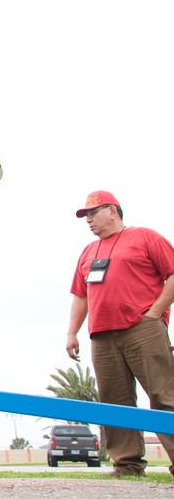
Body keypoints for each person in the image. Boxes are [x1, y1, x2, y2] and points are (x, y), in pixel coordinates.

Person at [66, 190, 174, 476]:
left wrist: (154, 314)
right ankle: (127, 464)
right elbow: (80, 295)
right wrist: (72, 333)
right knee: (114, 401)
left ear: (112, 211)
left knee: (164, 395)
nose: (88, 220)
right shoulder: (89, 252)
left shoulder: (146, 237)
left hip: (142, 328)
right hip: (102, 334)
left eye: (93, 213)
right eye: (85, 216)